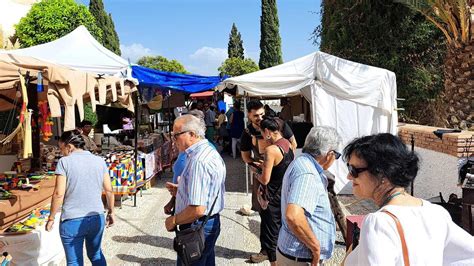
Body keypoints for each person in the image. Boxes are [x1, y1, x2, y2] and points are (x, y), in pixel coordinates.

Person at [343, 133, 474, 265]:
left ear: (382, 173)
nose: (349, 176)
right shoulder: (436, 212)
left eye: (354, 170)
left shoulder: (379, 222)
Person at [46, 129, 115, 266]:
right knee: (96, 255)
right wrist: (111, 211)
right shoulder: (99, 161)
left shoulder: (64, 162)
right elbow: (109, 190)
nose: (61, 152)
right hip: (96, 217)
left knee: (74, 261)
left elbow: (59, 194)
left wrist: (51, 217)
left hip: (72, 220)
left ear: (69, 147)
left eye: (61, 148)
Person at [240, 99, 297, 263]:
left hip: (279, 178)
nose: (259, 118)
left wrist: (276, 162)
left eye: (262, 114)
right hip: (264, 177)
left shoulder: (278, 124)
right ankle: (267, 250)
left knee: (278, 215)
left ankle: (278, 251)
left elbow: (293, 144)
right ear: (249, 116)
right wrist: (256, 165)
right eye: (256, 116)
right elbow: (245, 156)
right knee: (266, 217)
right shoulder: (248, 132)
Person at [164, 115, 226, 265]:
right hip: (207, 222)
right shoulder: (207, 152)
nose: (173, 140)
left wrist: (173, 220)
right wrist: (182, 191)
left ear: (192, 134)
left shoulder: (199, 160)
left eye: (176, 135)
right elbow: (208, 189)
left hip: (197, 224)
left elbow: (197, 209)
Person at [277, 126, 341, 265]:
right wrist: (315, 247)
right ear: (330, 154)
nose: (335, 159)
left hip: (295, 254)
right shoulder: (307, 173)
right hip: (301, 256)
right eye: (337, 155)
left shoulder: (302, 162)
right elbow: (293, 216)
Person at [252, 116, 294, 266]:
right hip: (284, 194)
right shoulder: (288, 144)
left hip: (272, 197)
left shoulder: (271, 150)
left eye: (262, 133)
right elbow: (281, 167)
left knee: (271, 236)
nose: (263, 137)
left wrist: (255, 172)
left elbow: (265, 179)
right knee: (281, 231)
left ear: (268, 131)